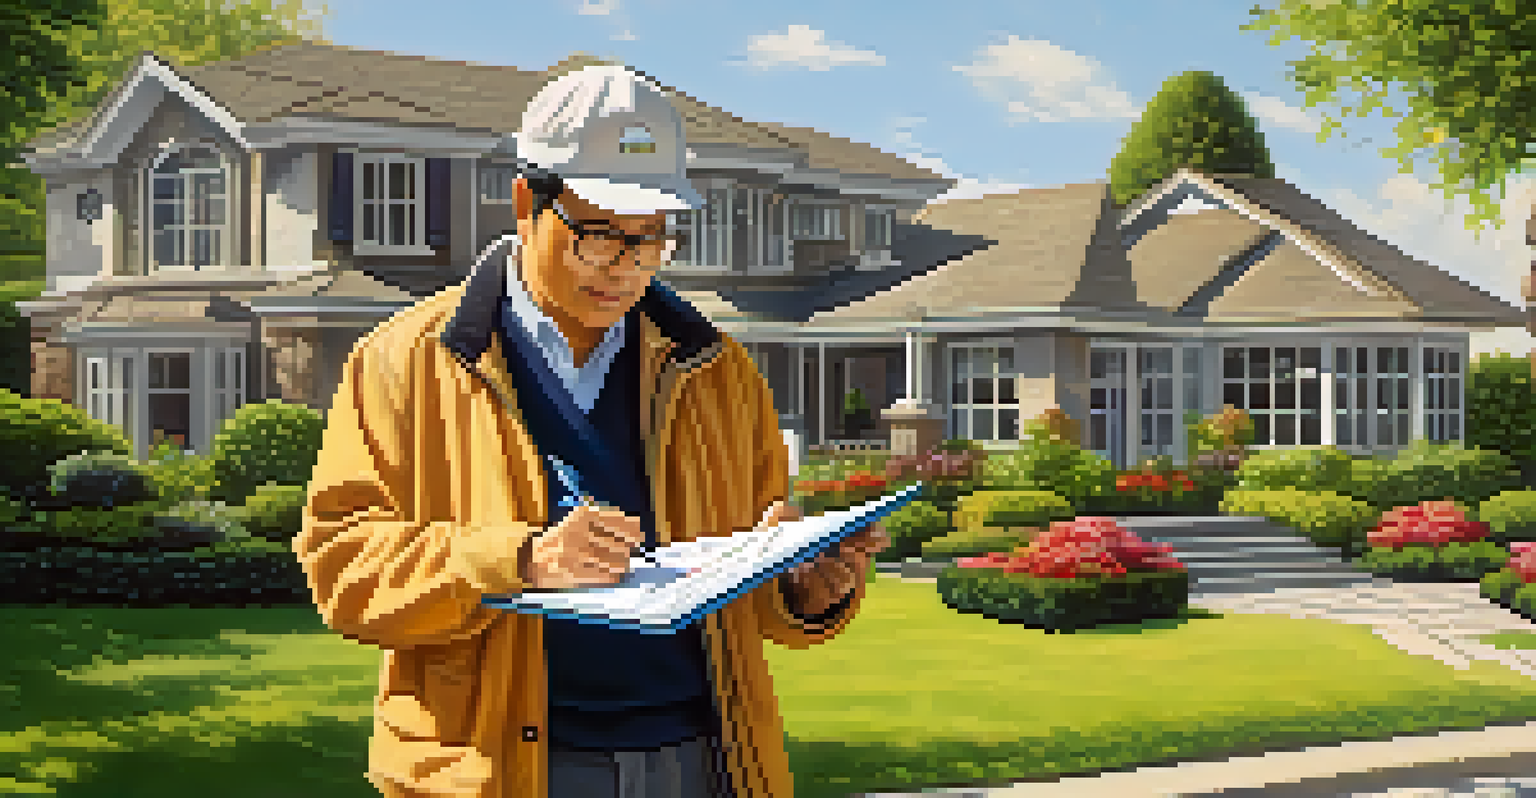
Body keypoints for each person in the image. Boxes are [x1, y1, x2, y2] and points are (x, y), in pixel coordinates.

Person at [296, 63, 890, 798]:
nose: (624, 268)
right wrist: (521, 559)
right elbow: (344, 568)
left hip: (705, 762)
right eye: (599, 235)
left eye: (651, 240)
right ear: (526, 203)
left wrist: (804, 587)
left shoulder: (721, 373)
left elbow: (753, 597)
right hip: (498, 768)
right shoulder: (404, 361)